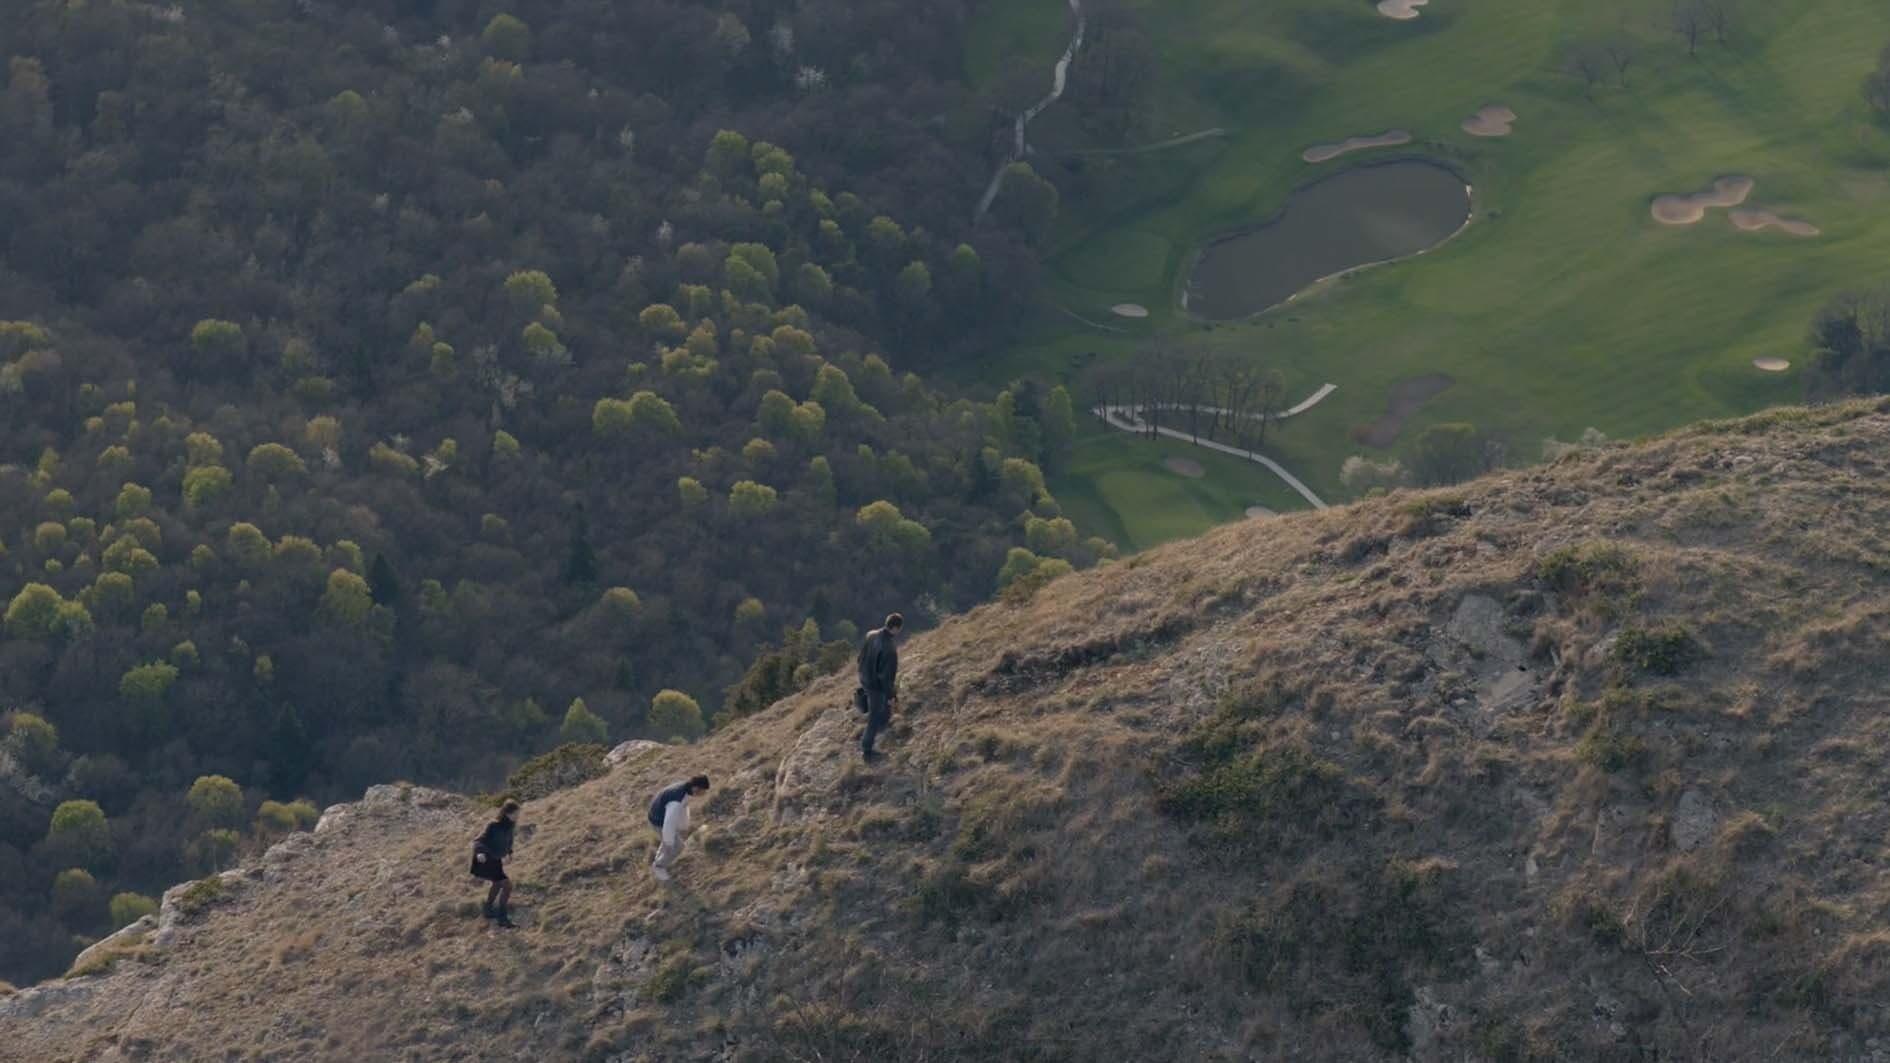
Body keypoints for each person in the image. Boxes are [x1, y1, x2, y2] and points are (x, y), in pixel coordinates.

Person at [857, 612, 902, 761]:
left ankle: (882, 727)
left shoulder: (871, 635)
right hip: (876, 686)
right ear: (895, 628)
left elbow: (860, 658)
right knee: (874, 716)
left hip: (865, 679)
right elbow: (886, 677)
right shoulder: (889, 649)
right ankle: (867, 749)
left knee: (880, 711)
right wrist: (891, 696)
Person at [647, 775, 710, 882]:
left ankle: (661, 855)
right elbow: (669, 823)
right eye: (703, 791)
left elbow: (683, 806)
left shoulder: (684, 787)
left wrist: (683, 825)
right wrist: (669, 842)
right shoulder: (676, 801)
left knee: (672, 839)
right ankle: (659, 866)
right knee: (678, 847)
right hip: (658, 822)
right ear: (696, 788)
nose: (703, 794)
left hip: (657, 814)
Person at [471, 799, 520, 928]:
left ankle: (488, 909)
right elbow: (478, 841)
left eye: (517, 814)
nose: (517, 816)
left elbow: (509, 843)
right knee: (507, 886)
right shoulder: (493, 825)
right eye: (515, 813)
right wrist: (479, 853)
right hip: (485, 859)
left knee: (497, 884)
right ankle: (502, 918)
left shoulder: (510, 827)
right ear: (507, 813)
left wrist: (510, 853)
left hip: (496, 861)